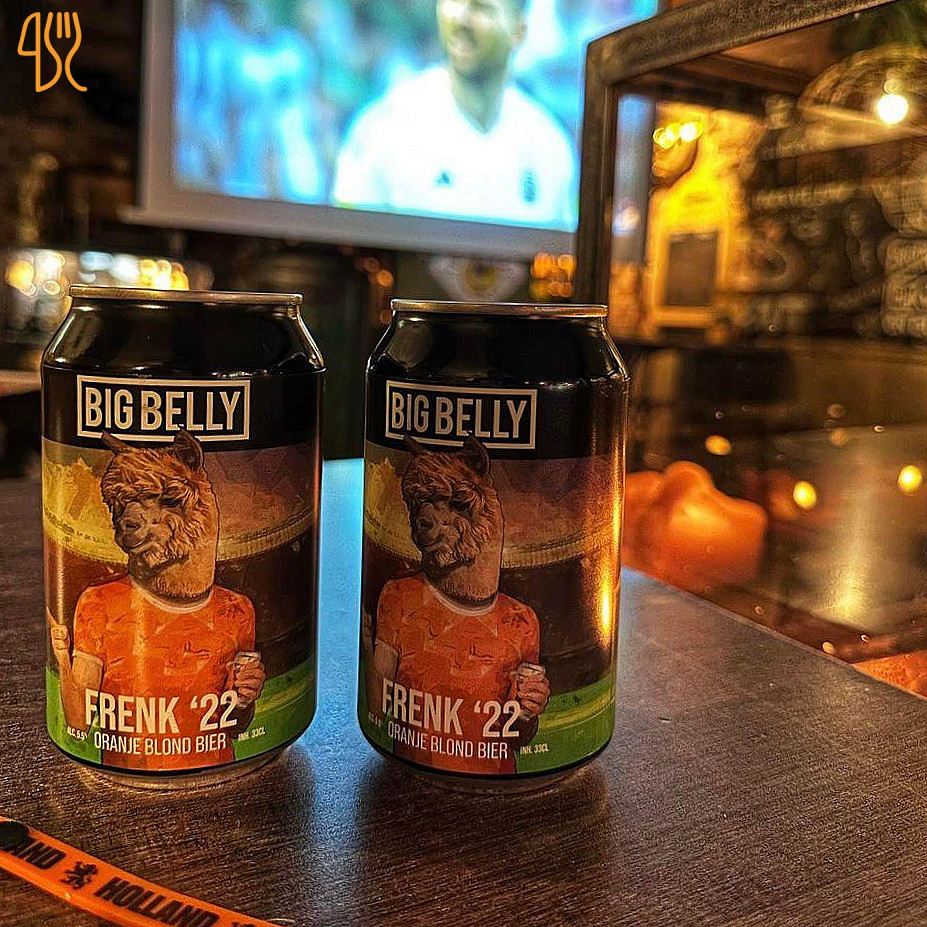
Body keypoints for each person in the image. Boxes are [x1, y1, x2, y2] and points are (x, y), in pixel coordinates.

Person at [333, 0, 577, 229]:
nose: (461, 19)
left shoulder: (549, 145)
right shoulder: (382, 128)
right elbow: (346, 242)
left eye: (481, 7)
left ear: (519, 32)